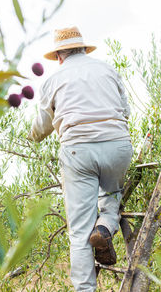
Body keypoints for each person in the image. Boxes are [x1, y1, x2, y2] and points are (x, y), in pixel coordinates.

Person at [28, 26, 133, 292]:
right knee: (112, 192)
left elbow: (42, 127)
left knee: (79, 232)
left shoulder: (53, 80)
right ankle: (107, 226)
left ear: (59, 56)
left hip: (78, 151)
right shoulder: (108, 70)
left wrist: (32, 136)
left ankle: (85, 289)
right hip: (117, 145)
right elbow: (126, 111)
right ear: (84, 49)